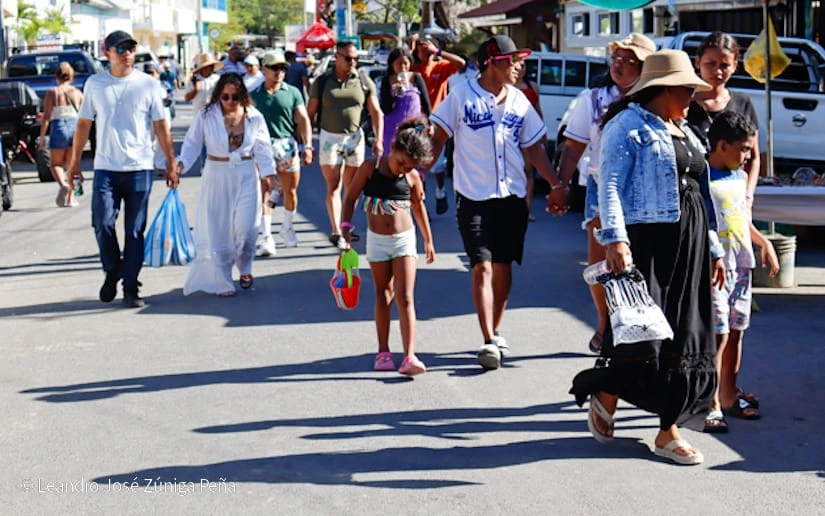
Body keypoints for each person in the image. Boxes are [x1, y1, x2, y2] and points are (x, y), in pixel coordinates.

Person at [569, 50, 724, 466]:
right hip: (648, 240)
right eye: (687, 89)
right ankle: (608, 388)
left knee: (685, 333)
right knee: (645, 334)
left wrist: (713, 248)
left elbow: (702, 193)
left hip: (690, 242)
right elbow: (609, 185)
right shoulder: (627, 125)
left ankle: (667, 429)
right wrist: (615, 240)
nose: (692, 96)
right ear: (663, 89)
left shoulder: (685, 130)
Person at [430, 35, 569, 370]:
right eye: (512, 60)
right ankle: (488, 339)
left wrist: (556, 184)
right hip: (472, 196)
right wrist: (415, 175)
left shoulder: (519, 100)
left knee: (503, 266)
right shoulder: (461, 95)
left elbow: (534, 147)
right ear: (492, 62)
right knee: (482, 265)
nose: (519, 67)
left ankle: (495, 328)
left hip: (512, 197)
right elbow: (438, 138)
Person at [556, 33, 655, 354]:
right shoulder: (594, 98)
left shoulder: (655, 98)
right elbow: (574, 147)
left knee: (640, 261)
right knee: (600, 263)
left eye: (629, 60)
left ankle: (640, 326)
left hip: (646, 189)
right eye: (616, 58)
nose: (619, 65)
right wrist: (560, 186)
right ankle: (604, 323)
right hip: (602, 184)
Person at [66, 30, 176, 308]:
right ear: (107, 53)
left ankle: (130, 286)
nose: (127, 53)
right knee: (102, 223)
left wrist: (171, 162)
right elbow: (84, 123)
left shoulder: (148, 84)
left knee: (135, 231)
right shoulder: (95, 84)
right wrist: (74, 162)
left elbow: (160, 125)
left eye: (131, 48)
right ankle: (113, 269)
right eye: (121, 49)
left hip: (140, 167)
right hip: (106, 167)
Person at [341, 116, 435, 376]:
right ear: (393, 148)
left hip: (404, 241)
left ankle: (409, 356)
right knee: (383, 295)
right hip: (377, 241)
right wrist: (345, 226)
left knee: (405, 297)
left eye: (409, 167)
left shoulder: (412, 177)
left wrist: (428, 239)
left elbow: (419, 208)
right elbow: (350, 198)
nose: (402, 170)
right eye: (401, 162)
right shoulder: (370, 167)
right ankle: (383, 352)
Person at [703, 111, 779, 432]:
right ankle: (709, 402)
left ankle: (729, 394)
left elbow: (742, 219)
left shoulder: (737, 177)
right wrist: (712, 256)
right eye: (744, 149)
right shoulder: (702, 176)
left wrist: (764, 242)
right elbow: (702, 222)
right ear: (722, 145)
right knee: (718, 334)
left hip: (741, 266)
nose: (748, 157)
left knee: (737, 330)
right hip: (715, 268)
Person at [176, 73, 279, 297]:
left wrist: (269, 175)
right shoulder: (207, 114)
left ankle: (245, 266)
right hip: (216, 174)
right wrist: (181, 165)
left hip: (246, 173)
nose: (230, 101)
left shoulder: (254, 117)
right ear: (218, 95)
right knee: (219, 230)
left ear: (242, 95)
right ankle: (223, 280)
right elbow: (192, 143)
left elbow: (263, 148)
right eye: (225, 96)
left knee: (247, 229)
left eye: (235, 96)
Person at [307, 40, 384, 249]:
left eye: (355, 59)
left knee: (352, 188)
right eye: (348, 58)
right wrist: (307, 143)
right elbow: (310, 113)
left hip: (354, 138)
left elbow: (376, 112)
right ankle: (336, 231)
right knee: (334, 185)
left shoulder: (363, 80)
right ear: (337, 57)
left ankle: (346, 226)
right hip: (329, 138)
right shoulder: (323, 81)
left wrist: (378, 140)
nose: (353, 62)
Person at [250, 51, 314, 255]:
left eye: (283, 68)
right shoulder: (254, 94)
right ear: (264, 69)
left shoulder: (292, 92)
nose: (279, 72)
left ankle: (287, 226)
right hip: (263, 146)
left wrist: (308, 146)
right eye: (274, 68)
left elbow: (303, 119)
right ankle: (266, 236)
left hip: (287, 145)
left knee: (290, 190)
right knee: (265, 190)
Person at [687, 31, 761, 204]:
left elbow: (754, 157)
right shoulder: (683, 104)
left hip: (733, 197)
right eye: (710, 64)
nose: (717, 71)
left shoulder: (743, 103)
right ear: (697, 62)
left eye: (724, 65)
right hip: (695, 197)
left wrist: (748, 196)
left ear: (735, 65)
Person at [409, 33, 466, 215]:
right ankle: (421, 201)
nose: (425, 53)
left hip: (438, 121)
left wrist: (438, 52)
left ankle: (440, 190)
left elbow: (461, 64)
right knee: (419, 159)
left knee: (438, 164)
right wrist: (411, 46)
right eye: (422, 50)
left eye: (428, 49)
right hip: (418, 122)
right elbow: (401, 65)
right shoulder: (414, 68)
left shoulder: (441, 66)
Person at [39, 61, 83, 208]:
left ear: (56, 76)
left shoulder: (53, 93)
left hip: (59, 126)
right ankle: (70, 199)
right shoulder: (78, 93)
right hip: (75, 127)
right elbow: (85, 116)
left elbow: (46, 117)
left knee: (56, 163)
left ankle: (63, 184)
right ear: (71, 76)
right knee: (71, 165)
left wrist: (42, 137)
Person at [378, 47, 431, 156]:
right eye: (399, 64)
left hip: (414, 127)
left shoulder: (416, 78)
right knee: (393, 157)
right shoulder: (387, 80)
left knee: (414, 154)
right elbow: (385, 109)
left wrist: (429, 125)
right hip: (393, 128)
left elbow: (426, 103)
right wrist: (393, 95)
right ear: (392, 64)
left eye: (405, 63)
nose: (402, 67)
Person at [514, 62, 544, 222]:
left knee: (528, 171)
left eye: (523, 66)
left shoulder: (532, 86)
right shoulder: (507, 86)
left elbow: (538, 108)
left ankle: (526, 209)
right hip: (512, 132)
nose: (521, 69)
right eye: (518, 65)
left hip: (529, 131)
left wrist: (542, 130)